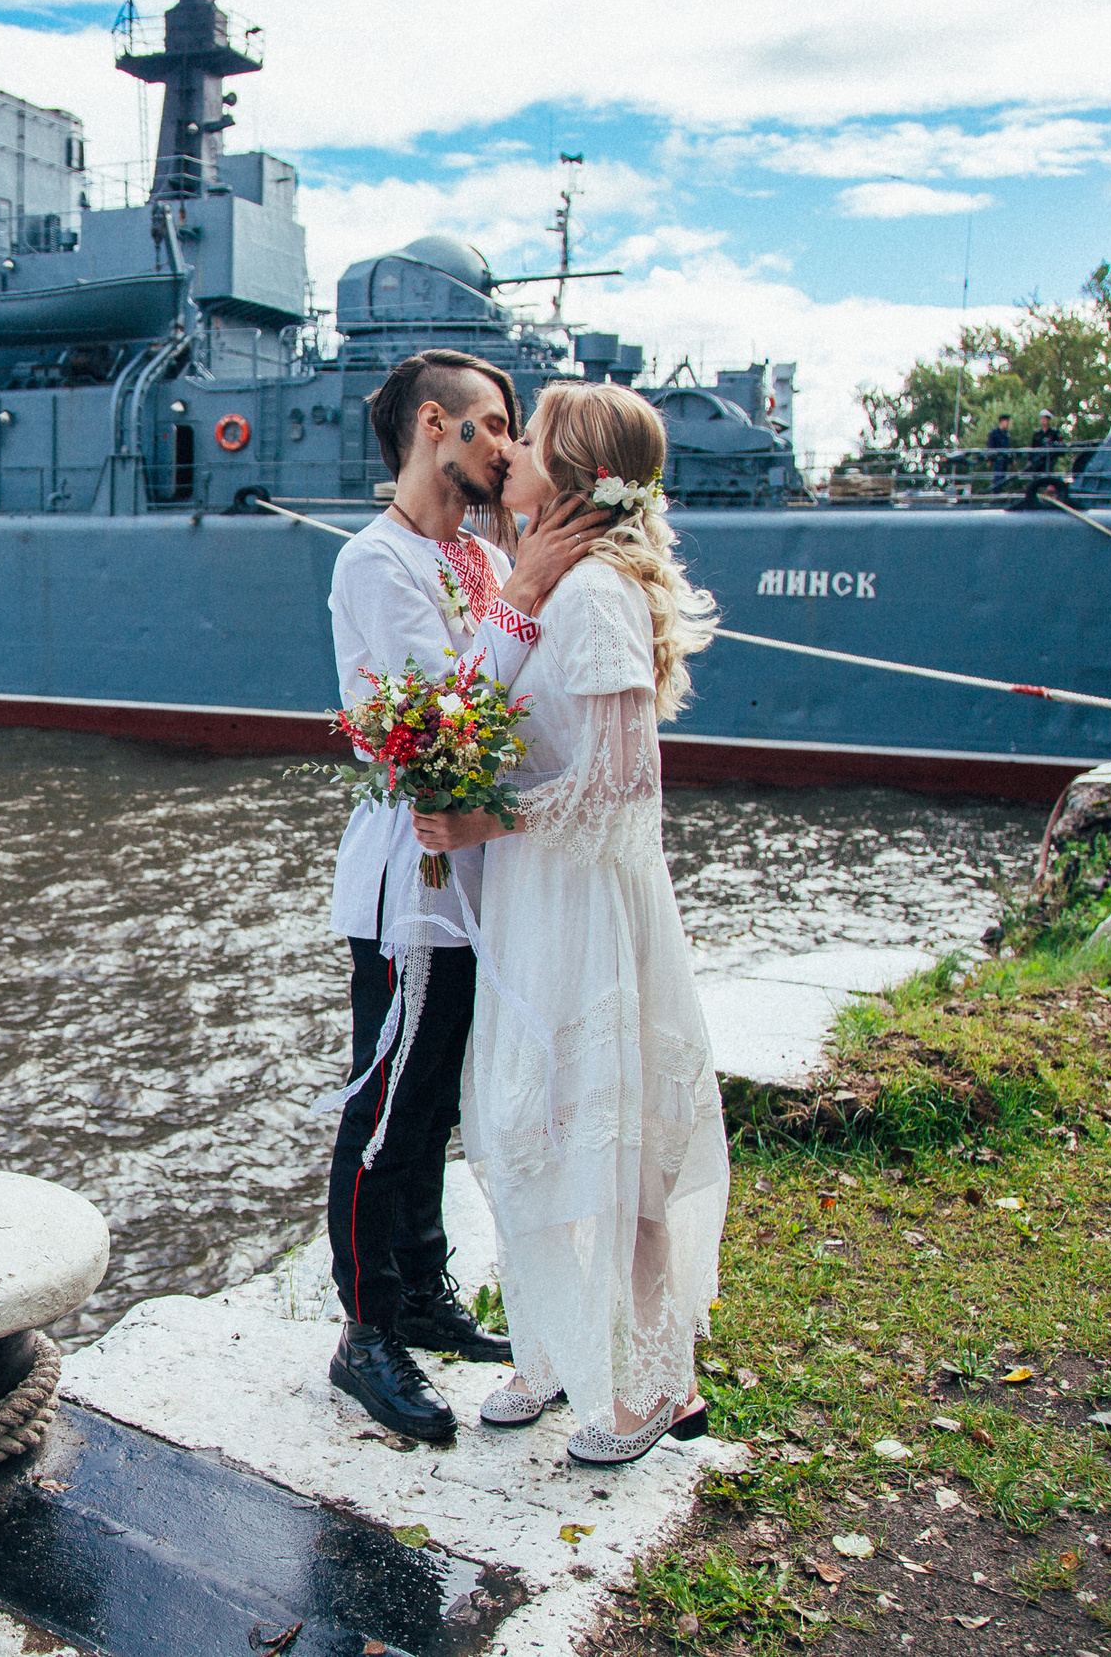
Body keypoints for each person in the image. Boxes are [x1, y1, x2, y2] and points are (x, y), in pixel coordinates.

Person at [412, 381, 731, 1467]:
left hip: (586, 902)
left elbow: (618, 787)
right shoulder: (543, 583)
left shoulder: (595, 595)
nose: (510, 454)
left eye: (530, 438)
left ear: (578, 473)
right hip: (536, 892)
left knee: (614, 1137)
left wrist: (479, 815)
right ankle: (549, 1348)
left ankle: (651, 1386)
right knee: (522, 1123)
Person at [322, 349, 610, 1442]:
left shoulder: (479, 559)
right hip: (417, 887)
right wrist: (527, 594)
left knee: (440, 1103)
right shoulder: (376, 564)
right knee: (385, 1106)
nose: (506, 448)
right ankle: (364, 1332)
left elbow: (514, 701)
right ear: (433, 427)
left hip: (490, 874)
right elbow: (437, 723)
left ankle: (426, 1293)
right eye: (492, 428)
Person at [985, 415, 1013, 492]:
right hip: (997, 460)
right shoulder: (994, 433)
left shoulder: (1006, 434)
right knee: (997, 479)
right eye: (1006, 421)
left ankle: (1002, 496)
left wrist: (1011, 461)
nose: (1007, 423)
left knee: (1004, 480)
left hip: (1005, 460)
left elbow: (1008, 448)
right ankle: (996, 495)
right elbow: (990, 447)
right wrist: (989, 459)